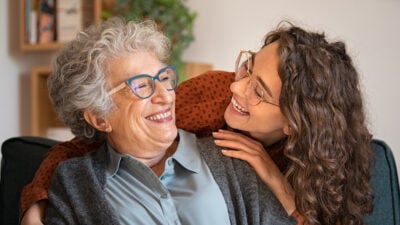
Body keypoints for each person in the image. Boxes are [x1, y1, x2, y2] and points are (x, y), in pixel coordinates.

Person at [20, 21, 373, 225]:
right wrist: (35, 203)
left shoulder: (241, 167)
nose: (165, 95)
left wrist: (282, 192)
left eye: (163, 78)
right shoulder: (212, 98)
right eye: (142, 85)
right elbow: (80, 147)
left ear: (293, 124)